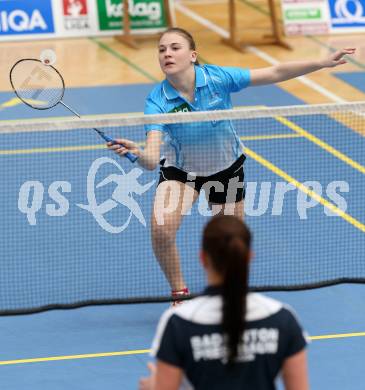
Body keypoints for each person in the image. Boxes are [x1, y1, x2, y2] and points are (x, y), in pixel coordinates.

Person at [108, 27, 355, 300]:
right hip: (181, 173)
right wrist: (138, 153)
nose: (167, 53)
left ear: (192, 55)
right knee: (161, 230)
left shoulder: (217, 78)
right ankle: (179, 290)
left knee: (230, 241)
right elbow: (152, 161)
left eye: (174, 47)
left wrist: (321, 62)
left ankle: (225, 290)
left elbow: (273, 72)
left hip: (226, 170)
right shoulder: (158, 101)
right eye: (162, 49)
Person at [139, 215, 309, 390]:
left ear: (203, 258)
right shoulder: (283, 319)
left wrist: (154, 386)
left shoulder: (179, 323)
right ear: (249, 256)